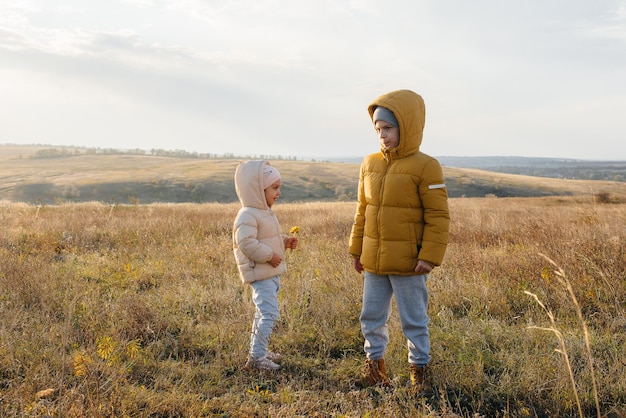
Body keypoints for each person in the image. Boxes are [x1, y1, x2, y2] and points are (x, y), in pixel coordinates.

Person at [349, 89, 450, 394]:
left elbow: (438, 216)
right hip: (375, 261)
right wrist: (356, 250)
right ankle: (375, 370)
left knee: (414, 321)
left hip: (410, 263)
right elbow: (362, 210)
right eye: (378, 129)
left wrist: (429, 256)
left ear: (407, 127)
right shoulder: (369, 164)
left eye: (389, 128)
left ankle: (419, 374)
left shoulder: (425, 166)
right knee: (371, 316)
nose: (383, 135)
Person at [233, 160, 298, 371]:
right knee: (269, 313)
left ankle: (257, 351)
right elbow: (246, 243)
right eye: (274, 188)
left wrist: (284, 242)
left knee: (262, 313)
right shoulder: (247, 215)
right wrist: (270, 256)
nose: (278, 193)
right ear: (258, 190)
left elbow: (267, 237)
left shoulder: (263, 212)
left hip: (268, 273)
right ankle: (257, 359)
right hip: (260, 273)